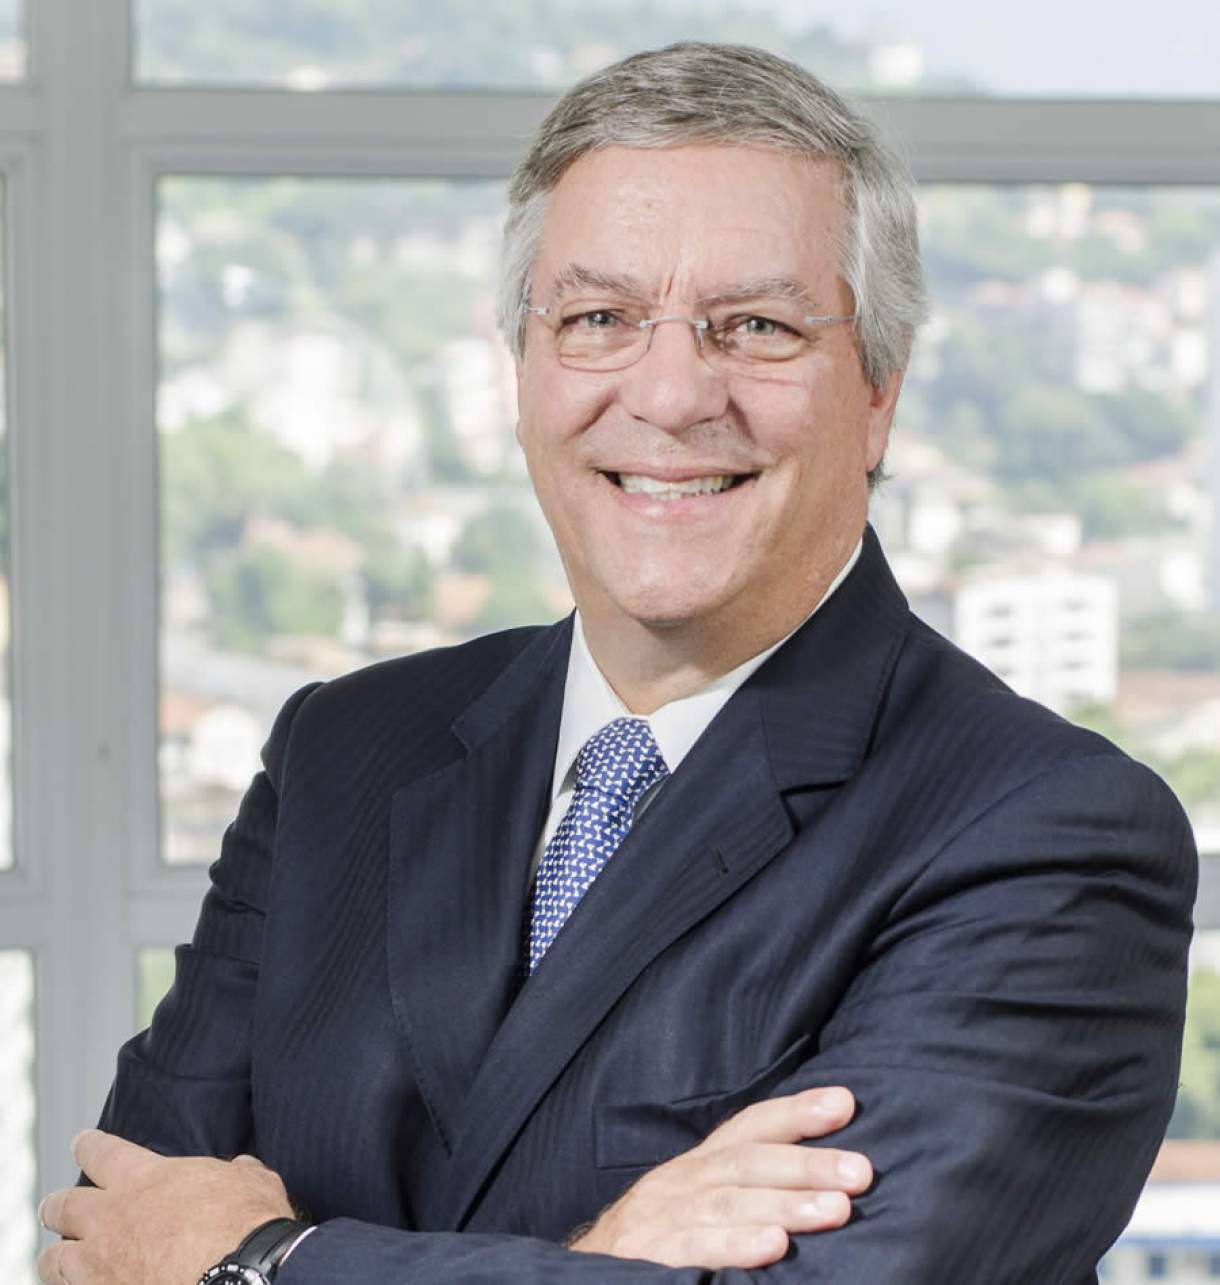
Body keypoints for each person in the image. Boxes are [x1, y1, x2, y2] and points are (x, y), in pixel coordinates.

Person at [38, 40, 1195, 1285]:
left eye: (754, 326)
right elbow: (111, 1240)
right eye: (599, 319)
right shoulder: (343, 750)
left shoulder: (1045, 833)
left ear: (877, 391)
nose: (670, 392)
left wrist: (267, 1260)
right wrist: (604, 1254)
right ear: (521, 370)